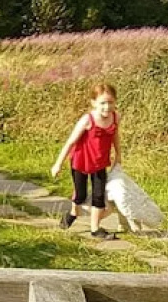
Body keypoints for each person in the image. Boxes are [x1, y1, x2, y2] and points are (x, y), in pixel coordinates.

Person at [50, 82, 121, 240]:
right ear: (94, 103)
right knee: (80, 196)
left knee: (98, 195)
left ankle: (95, 229)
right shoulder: (87, 120)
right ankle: (73, 213)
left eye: (110, 102)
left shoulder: (115, 117)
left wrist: (118, 154)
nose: (107, 107)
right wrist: (58, 164)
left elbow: (115, 135)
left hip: (100, 163)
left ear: (115, 101)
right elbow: (70, 142)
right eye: (103, 103)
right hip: (81, 162)